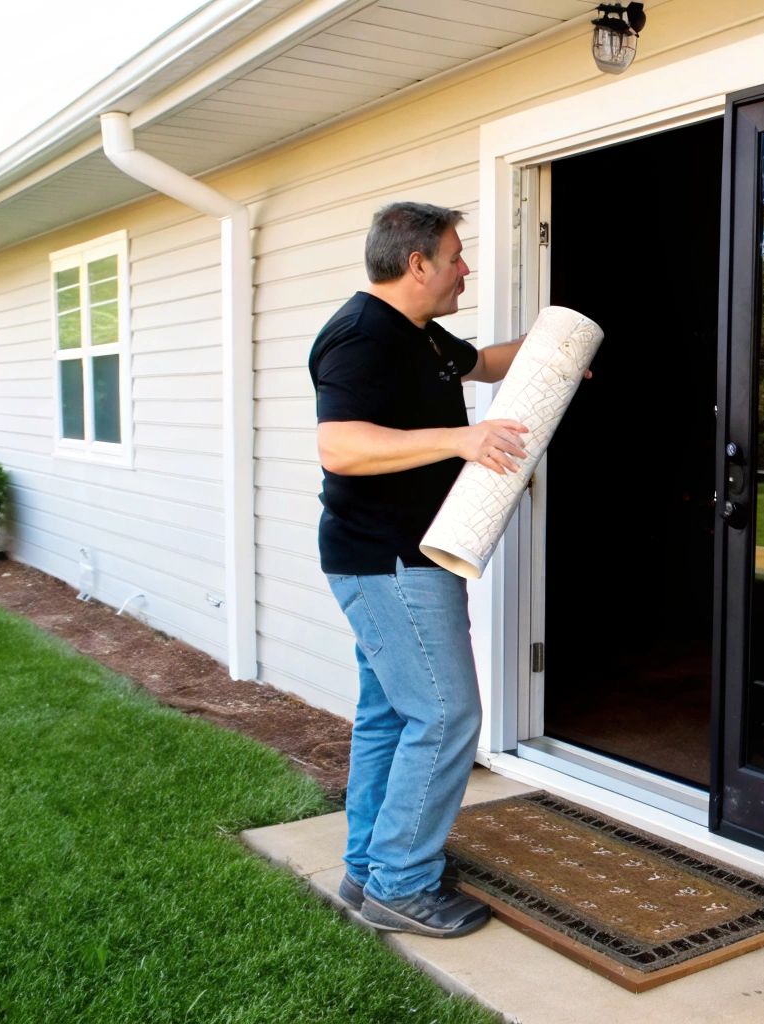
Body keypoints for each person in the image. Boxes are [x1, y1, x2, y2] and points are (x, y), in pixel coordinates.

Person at [307, 201, 583, 938]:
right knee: (447, 714)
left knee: (390, 718)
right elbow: (341, 446)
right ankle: (402, 883)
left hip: (400, 557)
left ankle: (371, 867)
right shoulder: (361, 337)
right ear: (417, 263)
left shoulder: (419, 336)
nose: (466, 268)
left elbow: (483, 363)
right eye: (457, 256)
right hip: (388, 561)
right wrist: (463, 439)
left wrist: (552, 352)